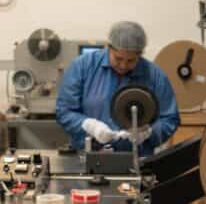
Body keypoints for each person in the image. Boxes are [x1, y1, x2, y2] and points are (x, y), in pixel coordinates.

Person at [55, 21, 179, 156]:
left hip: (137, 160)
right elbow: (64, 111)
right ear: (109, 48)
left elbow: (170, 119)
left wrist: (149, 133)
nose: (123, 65)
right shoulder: (83, 67)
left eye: (131, 60)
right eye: (118, 59)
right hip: (88, 157)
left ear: (140, 54)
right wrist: (89, 125)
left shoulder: (155, 76)